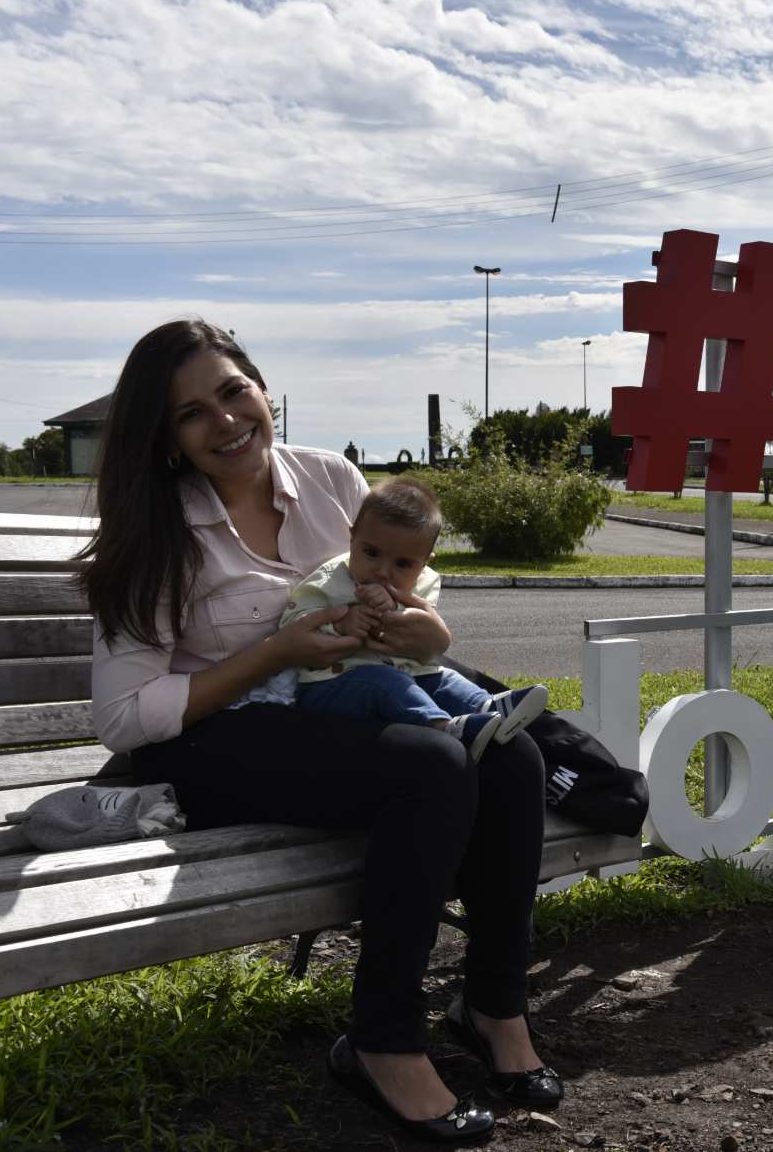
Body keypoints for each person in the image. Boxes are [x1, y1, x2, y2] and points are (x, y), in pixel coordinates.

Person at [82, 319, 562, 1143]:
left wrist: (413, 630)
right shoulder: (153, 529)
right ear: (164, 437)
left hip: (331, 711)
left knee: (511, 757)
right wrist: (276, 650)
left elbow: (407, 586)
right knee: (433, 765)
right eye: (191, 413)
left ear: (263, 388)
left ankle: (493, 1008)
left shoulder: (333, 479)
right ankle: (382, 1043)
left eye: (234, 391)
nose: (226, 420)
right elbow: (123, 719)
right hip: (210, 741)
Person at [265, 476, 550, 762]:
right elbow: (293, 623)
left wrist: (398, 612)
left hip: (406, 673)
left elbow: (418, 630)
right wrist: (339, 624)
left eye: (402, 564)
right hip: (331, 684)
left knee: (441, 677)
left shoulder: (425, 582)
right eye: (371, 553)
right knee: (386, 682)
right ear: (352, 538)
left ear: (425, 562)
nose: (383, 571)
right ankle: (444, 728)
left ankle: (486, 708)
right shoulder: (328, 580)